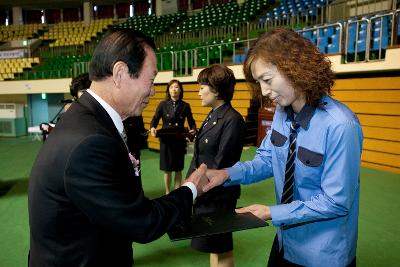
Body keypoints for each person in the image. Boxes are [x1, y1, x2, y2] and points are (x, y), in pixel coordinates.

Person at [28, 28, 208, 267]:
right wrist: (191, 189)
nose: (153, 91)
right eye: (151, 79)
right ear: (120, 73)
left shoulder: (87, 119)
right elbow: (142, 222)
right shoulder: (90, 141)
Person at [203, 28, 363, 267]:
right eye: (259, 83)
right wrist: (226, 173)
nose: (265, 92)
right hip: (284, 243)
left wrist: (271, 212)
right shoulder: (281, 112)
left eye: (267, 80)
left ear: (295, 68)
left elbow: (336, 201)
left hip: (322, 255)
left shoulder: (341, 125)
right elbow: (268, 159)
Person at [188, 64, 246, 267]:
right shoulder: (213, 115)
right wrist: (189, 185)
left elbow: (222, 163)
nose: (199, 93)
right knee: (215, 247)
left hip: (217, 194)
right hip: (205, 192)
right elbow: (198, 156)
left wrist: (196, 190)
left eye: (202, 88)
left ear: (217, 90)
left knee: (221, 247)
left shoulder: (232, 120)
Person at [150, 79, 197, 194]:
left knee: (178, 169)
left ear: (180, 90)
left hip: (179, 140)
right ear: (168, 90)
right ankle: (167, 192)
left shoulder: (185, 106)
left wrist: (193, 129)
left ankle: (176, 193)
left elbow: (191, 121)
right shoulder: (162, 104)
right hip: (166, 140)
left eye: (176, 87)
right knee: (167, 169)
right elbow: (155, 119)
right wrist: (152, 127)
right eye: (171, 87)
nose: (174, 90)